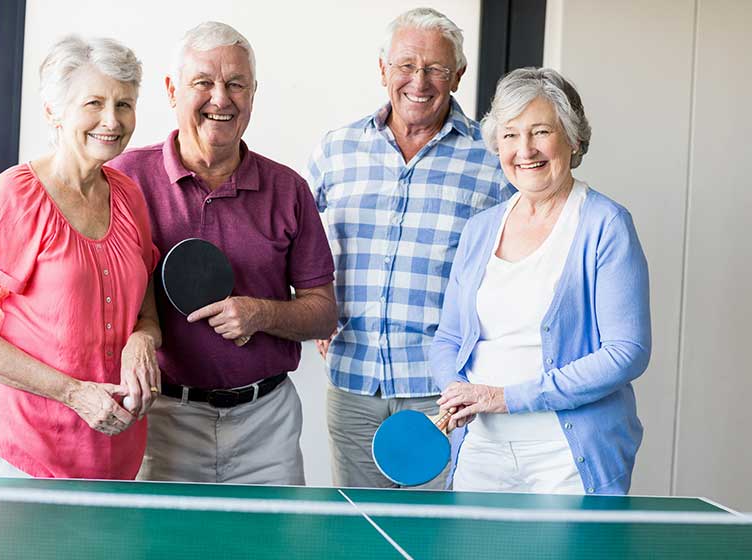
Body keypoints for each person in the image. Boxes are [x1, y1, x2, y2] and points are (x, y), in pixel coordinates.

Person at [110, 22, 336, 485]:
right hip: (163, 419)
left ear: (253, 93)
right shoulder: (123, 178)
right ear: (172, 90)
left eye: (236, 83)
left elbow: (323, 313)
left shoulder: (288, 188)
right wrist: (136, 338)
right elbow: (98, 293)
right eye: (203, 83)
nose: (221, 98)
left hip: (266, 426)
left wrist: (260, 313)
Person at [306, 7, 512, 489]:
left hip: (442, 392)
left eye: (436, 68)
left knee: (433, 535)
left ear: (457, 75)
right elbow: (295, 243)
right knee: (360, 534)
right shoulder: (335, 150)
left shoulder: (493, 159)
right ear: (383, 70)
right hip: (352, 382)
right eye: (405, 65)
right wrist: (312, 303)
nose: (418, 80)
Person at [0, 36, 161, 479]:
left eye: (124, 104)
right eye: (93, 103)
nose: (111, 120)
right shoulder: (16, 194)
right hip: (24, 448)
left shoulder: (129, 196)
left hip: (112, 446)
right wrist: (74, 393)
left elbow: (147, 315)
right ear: (53, 112)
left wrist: (143, 340)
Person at [432, 67, 651, 495]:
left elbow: (627, 352)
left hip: (566, 455)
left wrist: (507, 397)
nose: (524, 149)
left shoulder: (606, 225)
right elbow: (448, 338)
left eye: (540, 131)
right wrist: (455, 389)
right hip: (481, 449)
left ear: (572, 139)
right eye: (510, 134)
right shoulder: (480, 229)